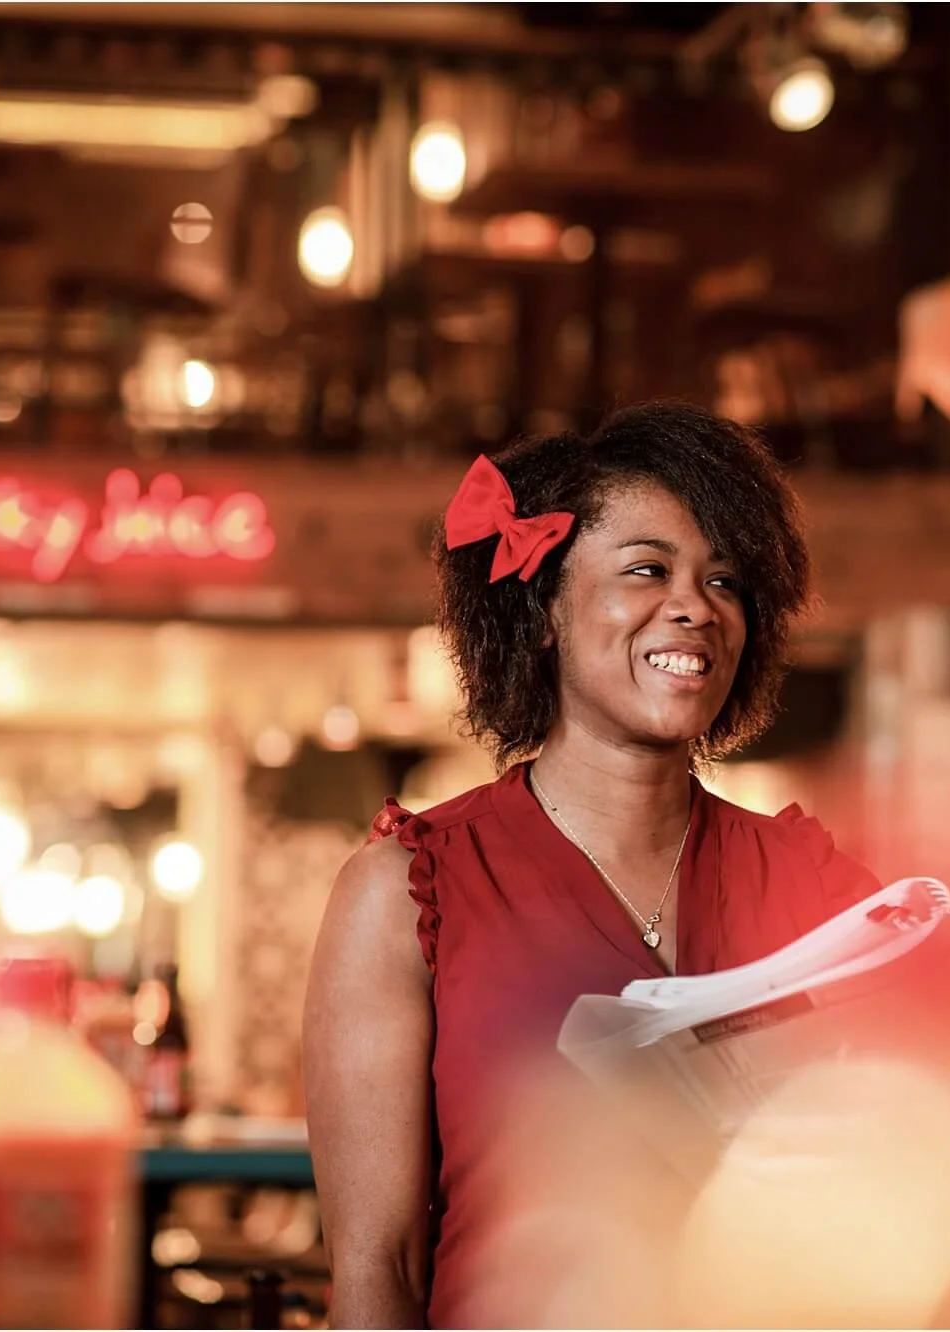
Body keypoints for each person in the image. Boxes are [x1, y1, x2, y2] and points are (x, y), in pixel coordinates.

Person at [303, 402, 882, 1328]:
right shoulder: (405, 892)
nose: (695, 606)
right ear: (542, 612)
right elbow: (380, 1267)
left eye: (726, 581)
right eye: (647, 569)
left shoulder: (812, 881)